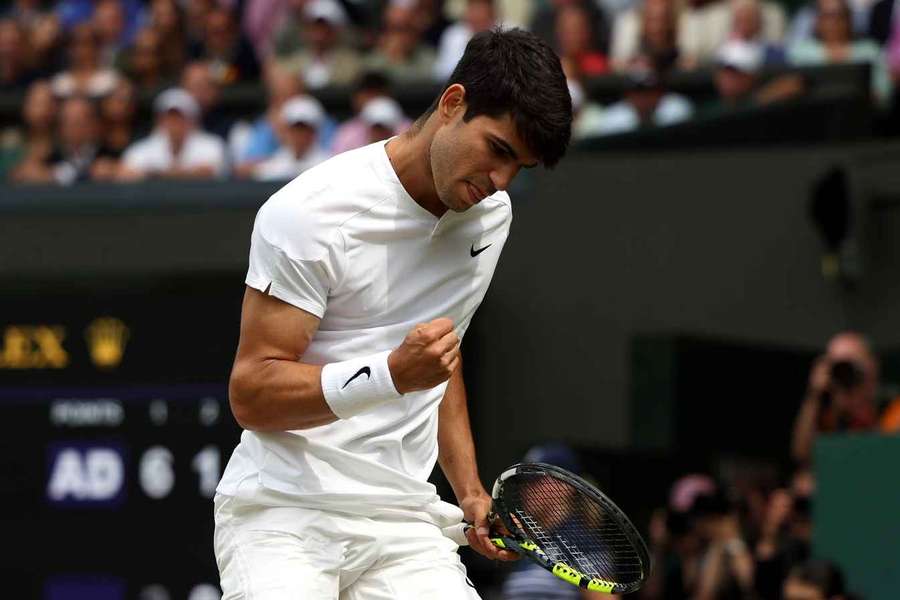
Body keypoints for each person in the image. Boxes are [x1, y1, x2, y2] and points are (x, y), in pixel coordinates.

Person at [214, 27, 572, 599]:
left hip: (404, 522)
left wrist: (471, 491)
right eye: (498, 151)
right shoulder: (308, 214)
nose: (500, 182)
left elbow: (439, 358)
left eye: (519, 168)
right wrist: (389, 375)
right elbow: (251, 394)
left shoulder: (490, 217)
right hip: (283, 513)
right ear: (453, 104)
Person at [792, 331, 900, 464]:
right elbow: (802, 454)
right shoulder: (831, 415)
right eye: (838, 365)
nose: (846, 372)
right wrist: (815, 395)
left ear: (872, 364)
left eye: (851, 362)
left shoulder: (894, 408)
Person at [117, 87, 227, 181]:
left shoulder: (212, 146)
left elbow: (210, 172)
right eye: (169, 117)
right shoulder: (139, 150)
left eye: (180, 117)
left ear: (192, 120)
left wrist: (152, 174)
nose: (174, 123)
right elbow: (126, 173)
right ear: (159, 120)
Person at [244, 94, 331, 181]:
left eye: (304, 129)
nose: (299, 135)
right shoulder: (277, 162)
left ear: (314, 132)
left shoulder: (327, 164)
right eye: (294, 129)